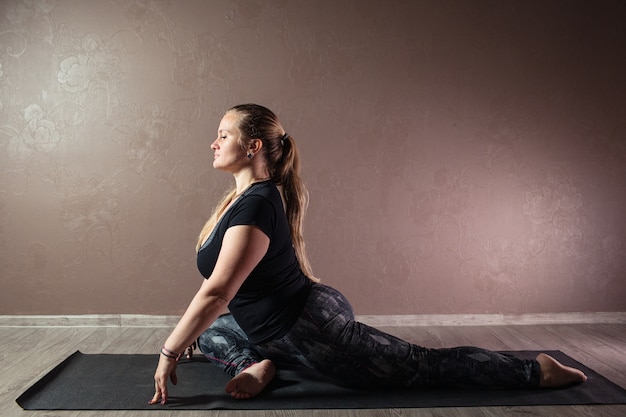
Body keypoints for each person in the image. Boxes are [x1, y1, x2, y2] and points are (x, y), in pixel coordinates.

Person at [149, 104, 587, 405]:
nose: (213, 142)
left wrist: (168, 351)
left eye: (222, 134)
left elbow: (217, 293)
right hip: (270, 328)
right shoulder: (237, 200)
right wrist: (184, 337)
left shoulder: (258, 205)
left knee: (420, 367)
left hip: (313, 327)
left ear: (253, 146)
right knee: (208, 334)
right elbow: (217, 299)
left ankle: (534, 371)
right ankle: (257, 365)